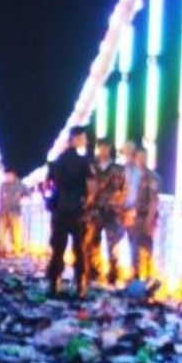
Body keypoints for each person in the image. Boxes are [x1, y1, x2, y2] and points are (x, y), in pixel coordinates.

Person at [45, 126, 93, 297]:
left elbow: (47, 186)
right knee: (79, 249)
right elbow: (90, 187)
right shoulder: (84, 162)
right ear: (76, 139)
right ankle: (80, 285)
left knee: (58, 249)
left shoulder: (56, 161)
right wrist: (86, 202)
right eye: (83, 138)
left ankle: (54, 283)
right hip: (77, 212)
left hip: (59, 211)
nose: (85, 141)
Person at [85, 138, 127, 286]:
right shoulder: (91, 167)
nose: (103, 151)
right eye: (101, 148)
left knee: (113, 243)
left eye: (106, 148)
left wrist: (120, 206)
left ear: (110, 149)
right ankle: (93, 272)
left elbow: (124, 189)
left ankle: (113, 274)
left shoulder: (118, 169)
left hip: (112, 210)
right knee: (92, 242)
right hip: (94, 210)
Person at [125, 142, 161, 284]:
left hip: (144, 216)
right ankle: (135, 278)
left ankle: (146, 279)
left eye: (143, 157)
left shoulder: (152, 177)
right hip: (130, 215)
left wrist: (149, 220)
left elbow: (153, 200)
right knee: (133, 246)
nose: (140, 160)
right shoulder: (130, 174)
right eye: (138, 157)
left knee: (144, 248)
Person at [0, 169, 25, 256]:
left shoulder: (20, 185)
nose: (7, 177)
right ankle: (1, 250)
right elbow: (0, 200)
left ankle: (17, 251)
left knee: (15, 232)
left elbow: (27, 192)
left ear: (13, 175)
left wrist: (20, 197)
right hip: (3, 212)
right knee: (1, 233)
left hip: (14, 212)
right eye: (6, 175)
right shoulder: (2, 186)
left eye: (9, 175)